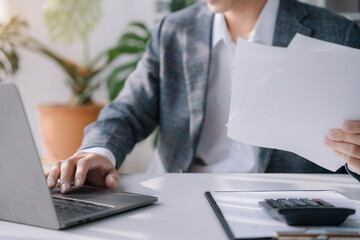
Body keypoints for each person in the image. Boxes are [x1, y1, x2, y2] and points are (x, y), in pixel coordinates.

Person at [46, 0, 360, 194]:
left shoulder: (337, 33)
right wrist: (100, 151)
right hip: (180, 196)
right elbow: (128, 109)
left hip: (283, 205)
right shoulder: (174, 30)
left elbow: (350, 143)